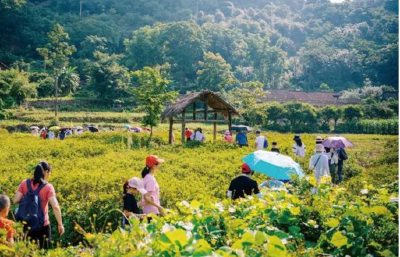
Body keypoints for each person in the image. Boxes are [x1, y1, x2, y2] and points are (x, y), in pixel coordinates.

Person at [14, 161, 64, 249]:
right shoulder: (48, 187)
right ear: (46, 172)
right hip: (43, 224)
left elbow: (16, 200)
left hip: (27, 223)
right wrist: (60, 224)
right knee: (45, 252)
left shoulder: (25, 183)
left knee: (29, 252)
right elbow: (55, 206)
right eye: (49, 173)